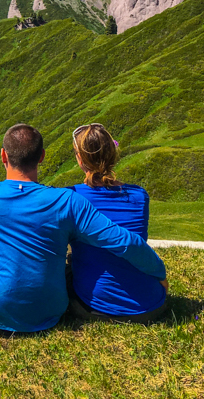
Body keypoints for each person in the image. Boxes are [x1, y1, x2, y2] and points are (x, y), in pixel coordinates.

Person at [0, 123, 167, 334]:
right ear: (41, 157)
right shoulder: (67, 200)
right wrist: (160, 273)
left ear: (3, 155)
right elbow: (123, 241)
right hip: (52, 312)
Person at [66, 123, 168, 323]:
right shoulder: (139, 195)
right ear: (113, 154)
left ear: (80, 159)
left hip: (95, 306)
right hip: (151, 305)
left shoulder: (72, 197)